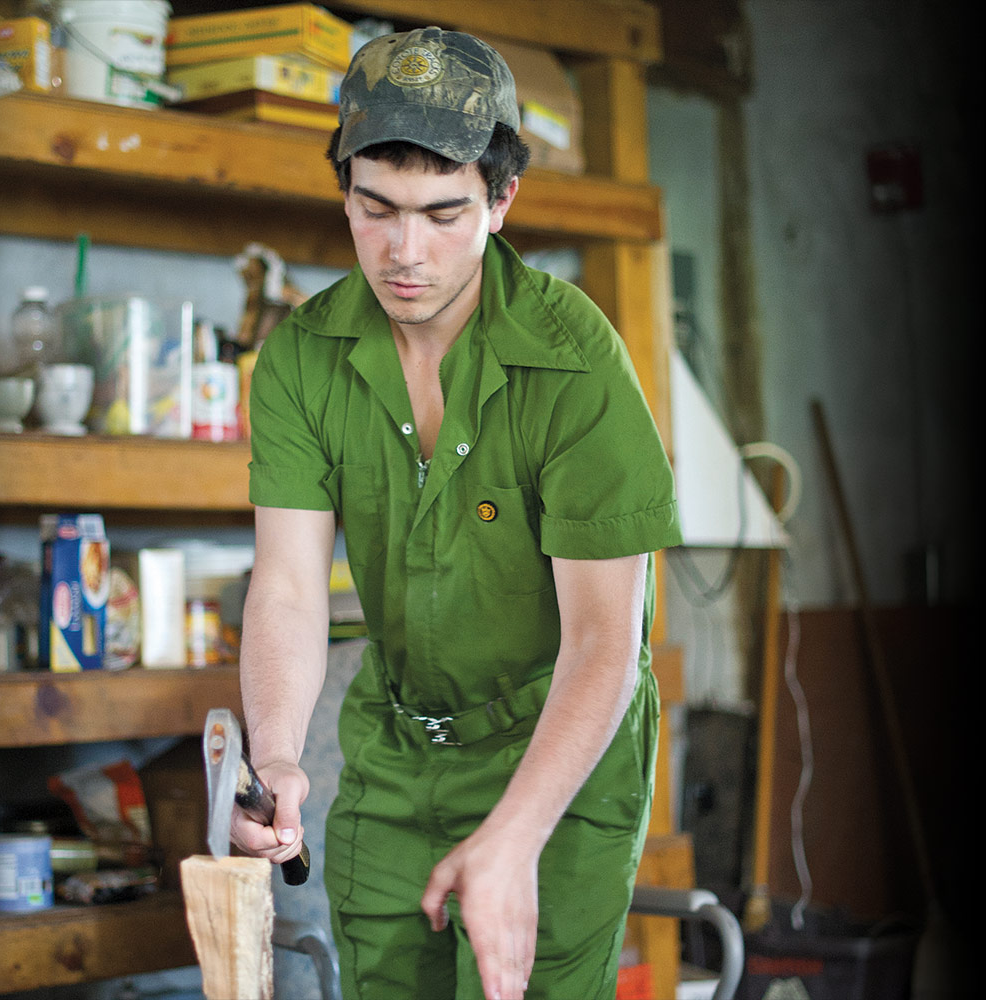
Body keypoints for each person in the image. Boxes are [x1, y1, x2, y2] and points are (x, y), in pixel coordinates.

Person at [232, 26, 683, 1000]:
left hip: (556, 744)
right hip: (396, 750)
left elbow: (608, 642)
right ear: (344, 184)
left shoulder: (576, 363)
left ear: (501, 199)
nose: (404, 252)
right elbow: (288, 585)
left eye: (444, 214)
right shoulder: (302, 358)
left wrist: (514, 837)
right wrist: (275, 754)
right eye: (374, 208)